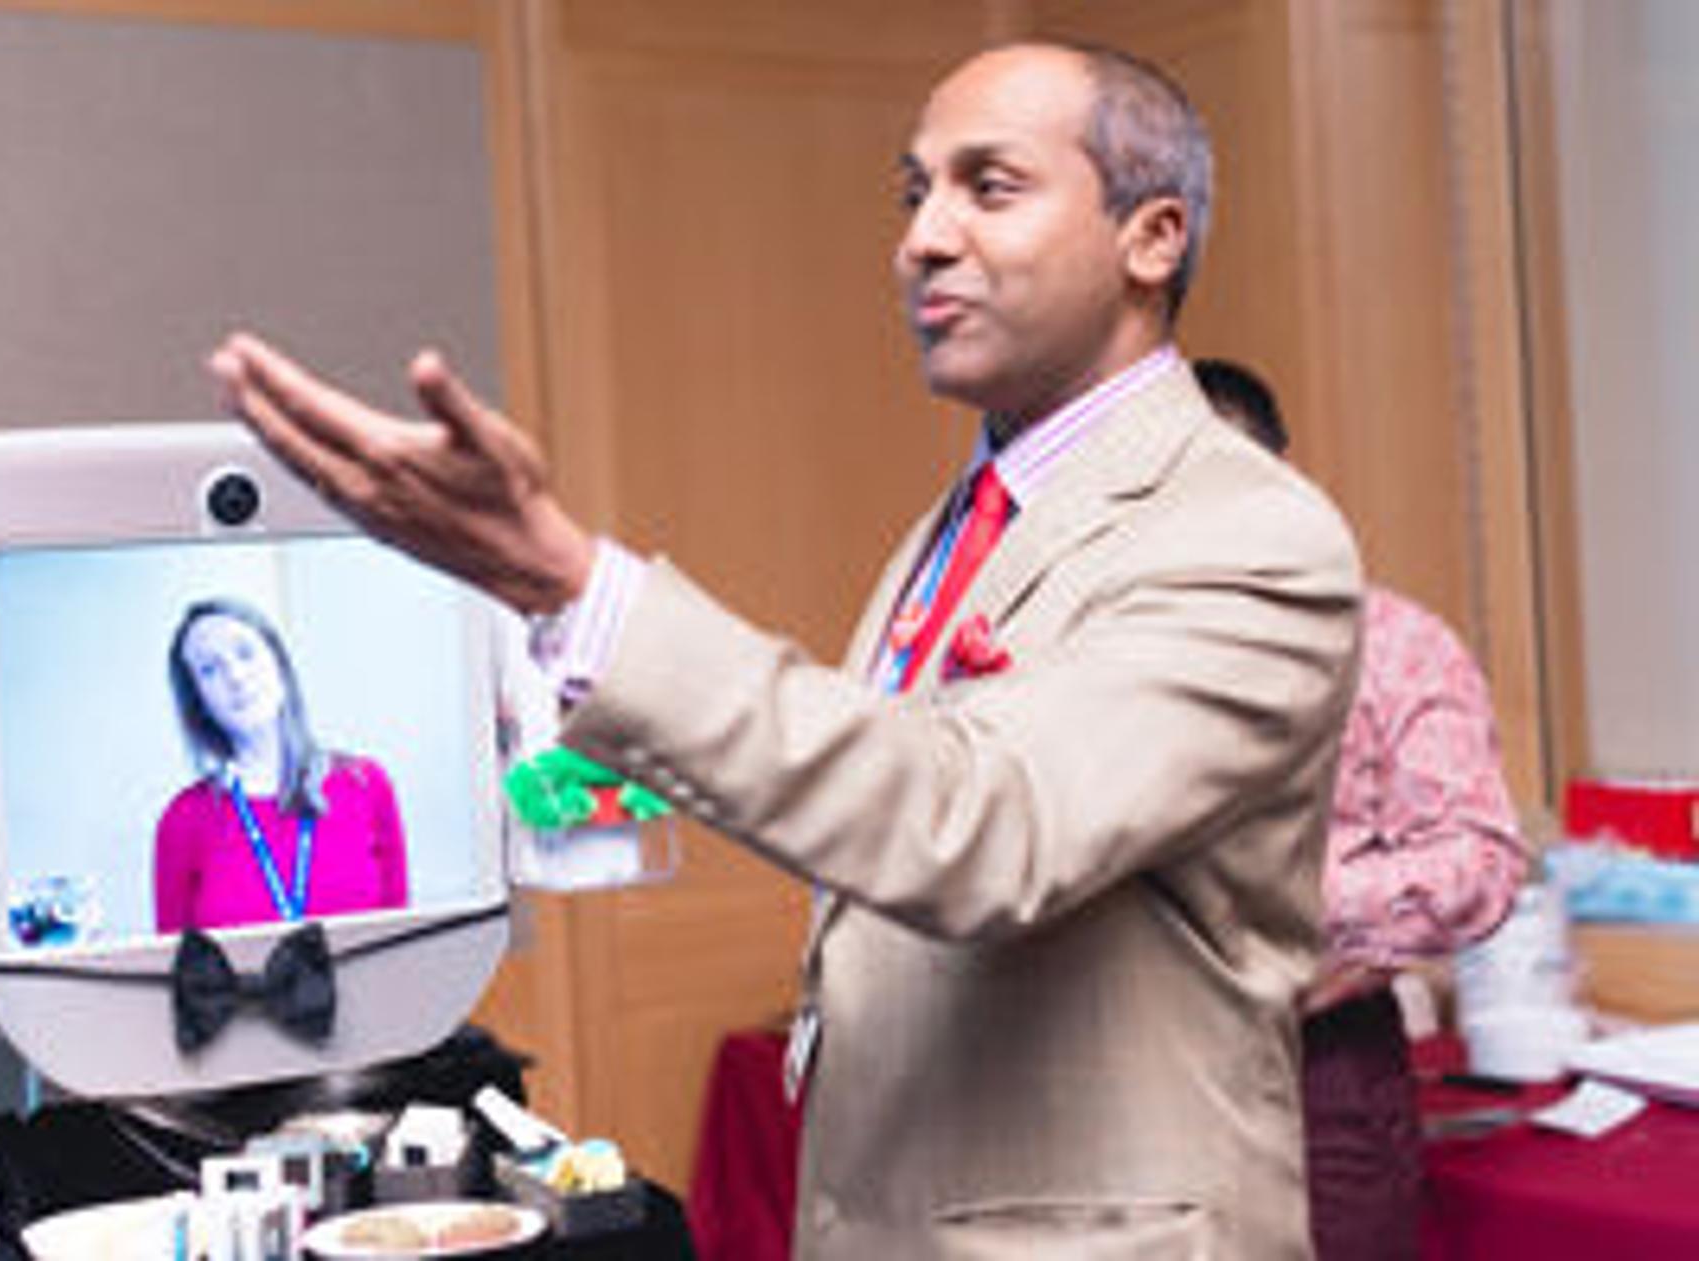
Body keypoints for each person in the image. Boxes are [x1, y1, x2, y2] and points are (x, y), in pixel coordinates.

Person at [208, 44, 1356, 1255]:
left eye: (990, 186)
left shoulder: (1244, 529)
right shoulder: (967, 521)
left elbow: (980, 826)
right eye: (915, 195)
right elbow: (888, 792)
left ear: (1153, 237)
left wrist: (575, 588)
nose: (923, 239)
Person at [1199, 357, 1529, 1260]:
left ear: (1279, 483)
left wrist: (1270, 909)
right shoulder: (1106, 652)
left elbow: (1478, 858)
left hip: (1323, 1068)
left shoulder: (1391, 645)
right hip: (1131, 1069)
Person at [151, 599, 409, 934]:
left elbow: (400, 944)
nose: (236, 677)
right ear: (198, 700)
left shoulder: (366, 785)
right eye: (209, 669)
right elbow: (176, 967)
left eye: (245, 653)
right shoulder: (183, 820)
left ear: (279, 664)